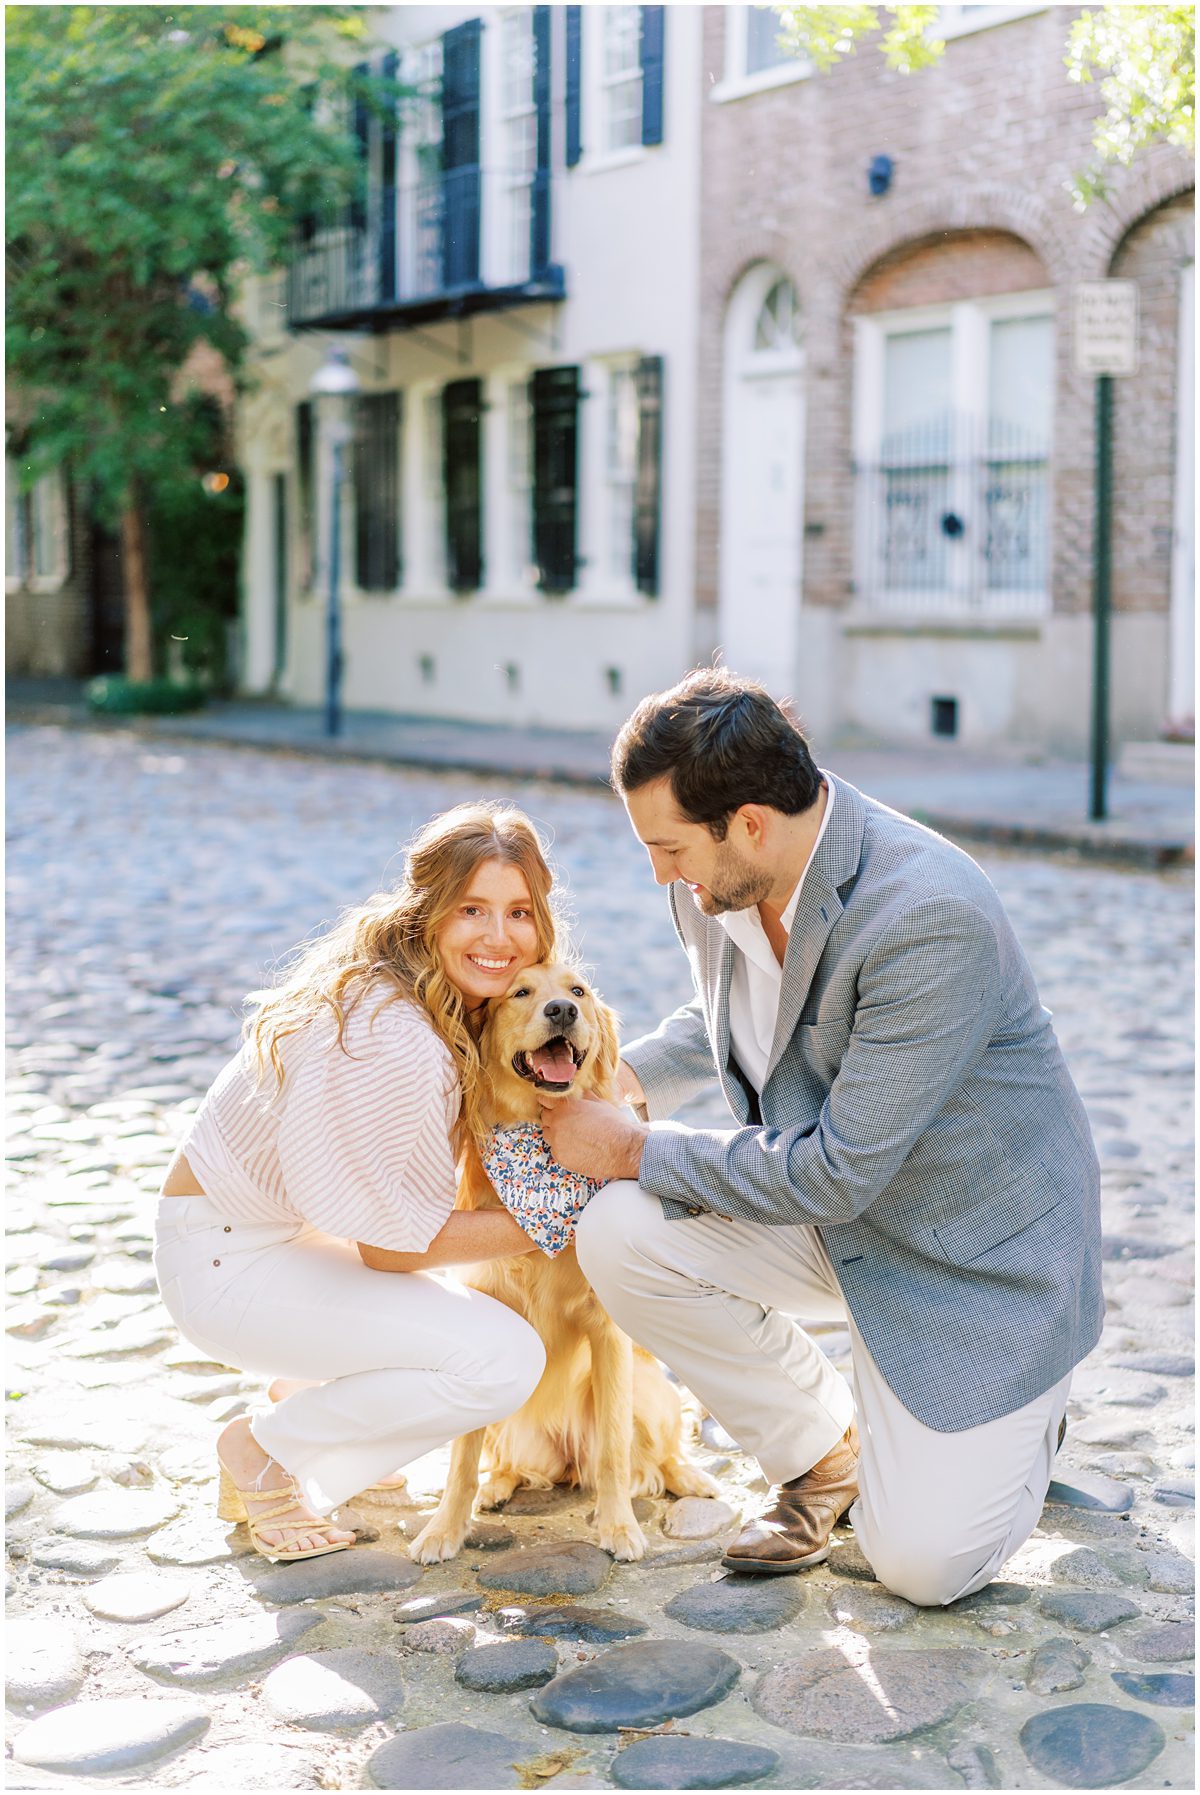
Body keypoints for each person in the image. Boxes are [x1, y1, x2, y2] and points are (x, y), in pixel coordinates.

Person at [541, 669, 1104, 1607]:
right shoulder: (721, 881)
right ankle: (821, 1451)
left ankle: (1023, 1424)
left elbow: (838, 1169)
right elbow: (734, 1009)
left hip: (967, 1259)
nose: (659, 874)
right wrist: (628, 1078)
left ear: (750, 822)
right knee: (617, 1231)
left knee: (921, 1568)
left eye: (668, 848)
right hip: (830, 1210)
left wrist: (631, 1146)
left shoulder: (927, 914)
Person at [154, 802, 554, 1562]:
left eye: (519, 912)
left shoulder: (426, 995)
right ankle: (265, 1449)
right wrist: (556, 1212)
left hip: (271, 1241)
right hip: (226, 1265)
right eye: (472, 909)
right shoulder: (397, 1034)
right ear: (427, 912)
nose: (500, 938)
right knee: (505, 1359)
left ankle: (311, 1403)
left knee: (464, 1331)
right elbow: (391, 1251)